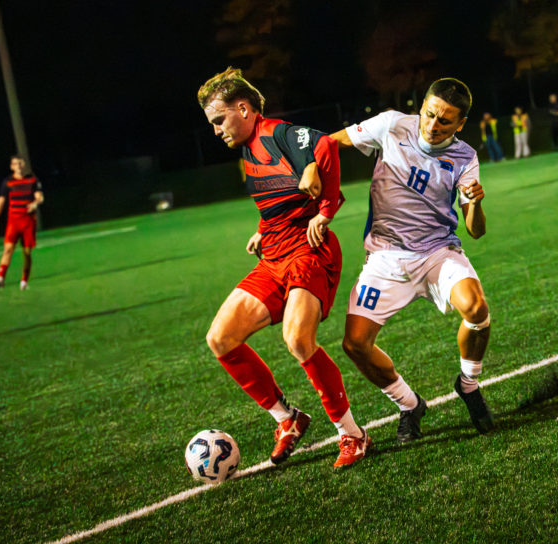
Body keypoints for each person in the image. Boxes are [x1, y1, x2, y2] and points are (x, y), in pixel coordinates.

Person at [197, 67, 370, 468]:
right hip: (273, 254)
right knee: (221, 338)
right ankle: (287, 419)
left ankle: (352, 434)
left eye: (220, 120)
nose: (217, 129)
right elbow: (278, 197)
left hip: (309, 254)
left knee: (298, 340)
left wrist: (325, 210)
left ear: (244, 108)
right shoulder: (246, 149)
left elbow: (324, 144)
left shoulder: (277, 133)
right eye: (212, 124)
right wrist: (262, 230)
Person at [330, 78, 494, 442]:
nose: (433, 126)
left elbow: (476, 231)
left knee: (477, 310)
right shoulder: (391, 125)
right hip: (386, 256)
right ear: (421, 107)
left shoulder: (465, 157)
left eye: (445, 122)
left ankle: (469, 385)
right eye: (430, 115)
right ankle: (409, 404)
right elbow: (331, 143)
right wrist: (312, 171)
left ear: (461, 124)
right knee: (355, 344)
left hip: (437, 252)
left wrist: (476, 202)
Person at [0, 155, 43, 290]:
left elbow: (39, 197)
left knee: (27, 253)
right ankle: (0, 279)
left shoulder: (32, 180)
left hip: (28, 222)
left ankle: (24, 281)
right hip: (13, 222)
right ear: (11, 167)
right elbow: (1, 202)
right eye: (15, 164)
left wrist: (34, 204)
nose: (18, 166)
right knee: (7, 249)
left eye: (20, 163)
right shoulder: (7, 182)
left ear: (24, 165)